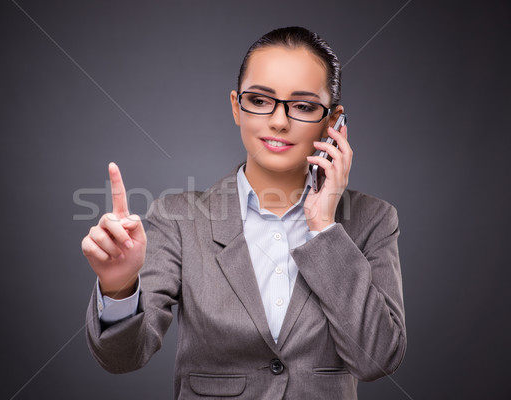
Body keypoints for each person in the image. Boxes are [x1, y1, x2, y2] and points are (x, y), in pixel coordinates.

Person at [82, 26, 406, 399]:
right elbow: (122, 357)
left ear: (333, 122)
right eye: (260, 100)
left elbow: (379, 360)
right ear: (237, 106)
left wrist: (324, 228)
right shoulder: (178, 219)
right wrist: (119, 286)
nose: (279, 121)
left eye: (302, 106)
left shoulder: (374, 220)